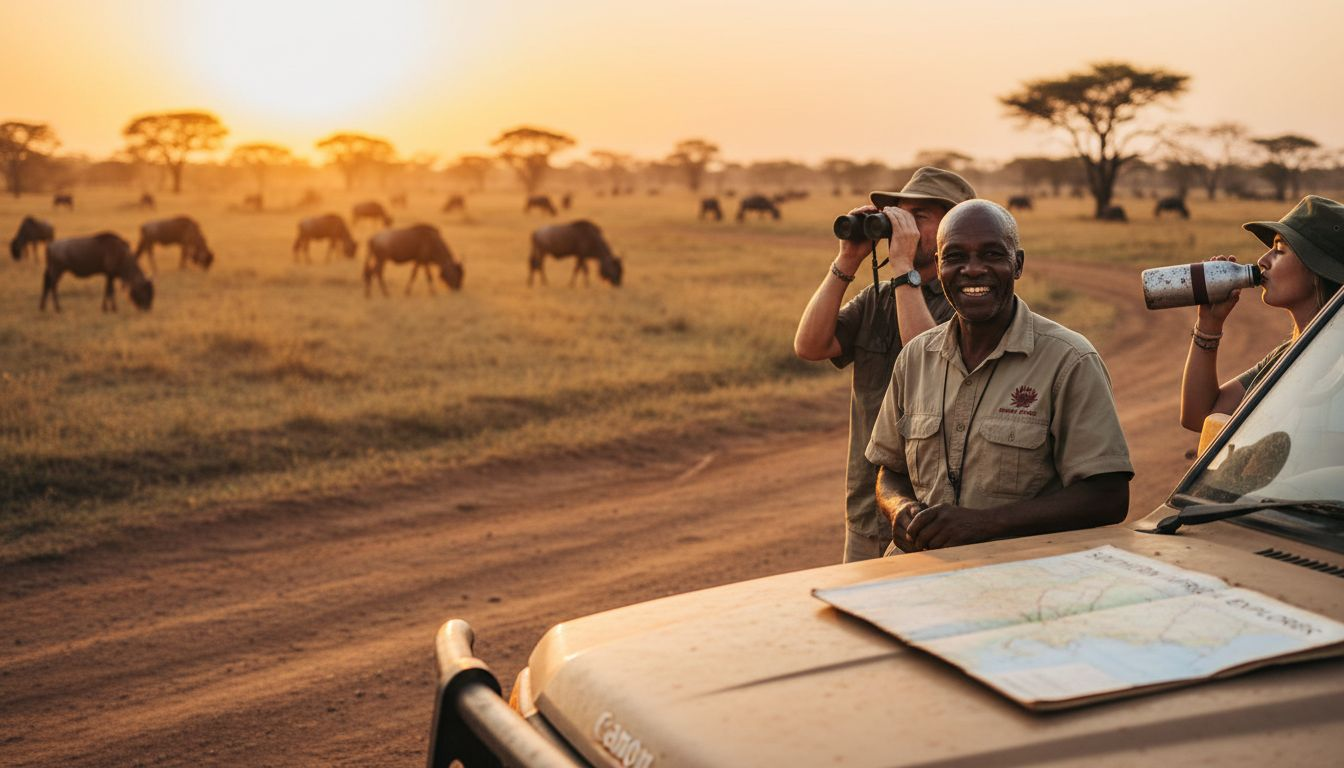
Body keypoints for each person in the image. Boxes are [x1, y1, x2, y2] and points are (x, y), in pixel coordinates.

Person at [866, 200, 1133, 553]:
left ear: (1017, 264)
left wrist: (985, 523)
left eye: (991, 255)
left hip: (1021, 575)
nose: (972, 270)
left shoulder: (1068, 360)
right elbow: (890, 472)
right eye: (956, 256)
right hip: (917, 570)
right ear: (938, 265)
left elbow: (1109, 497)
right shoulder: (915, 357)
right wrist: (899, 508)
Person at [793, 167, 976, 562]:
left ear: (955, 228)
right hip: (867, 508)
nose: (901, 225)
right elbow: (810, 345)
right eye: (898, 214)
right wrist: (847, 260)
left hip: (934, 517)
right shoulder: (878, 298)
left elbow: (927, 361)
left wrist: (902, 269)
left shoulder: (970, 302)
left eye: (919, 217)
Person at [1180, 195, 1344, 432]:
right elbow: (1200, 417)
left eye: (1279, 250)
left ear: (1317, 269)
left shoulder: (1336, 358)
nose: (1262, 260)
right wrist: (1208, 324)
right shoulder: (1286, 355)